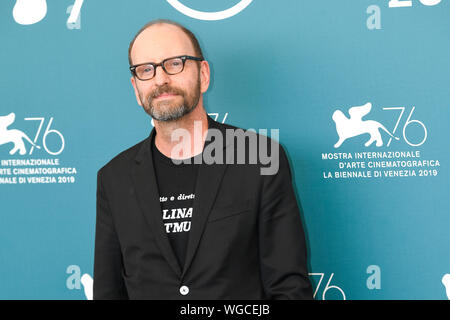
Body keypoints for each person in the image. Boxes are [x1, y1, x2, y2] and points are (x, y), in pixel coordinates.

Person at [93, 19, 313, 300]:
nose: (161, 79)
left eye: (174, 63)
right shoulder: (114, 178)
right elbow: (108, 291)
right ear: (136, 89)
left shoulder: (259, 158)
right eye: (146, 70)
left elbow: (288, 287)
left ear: (204, 74)